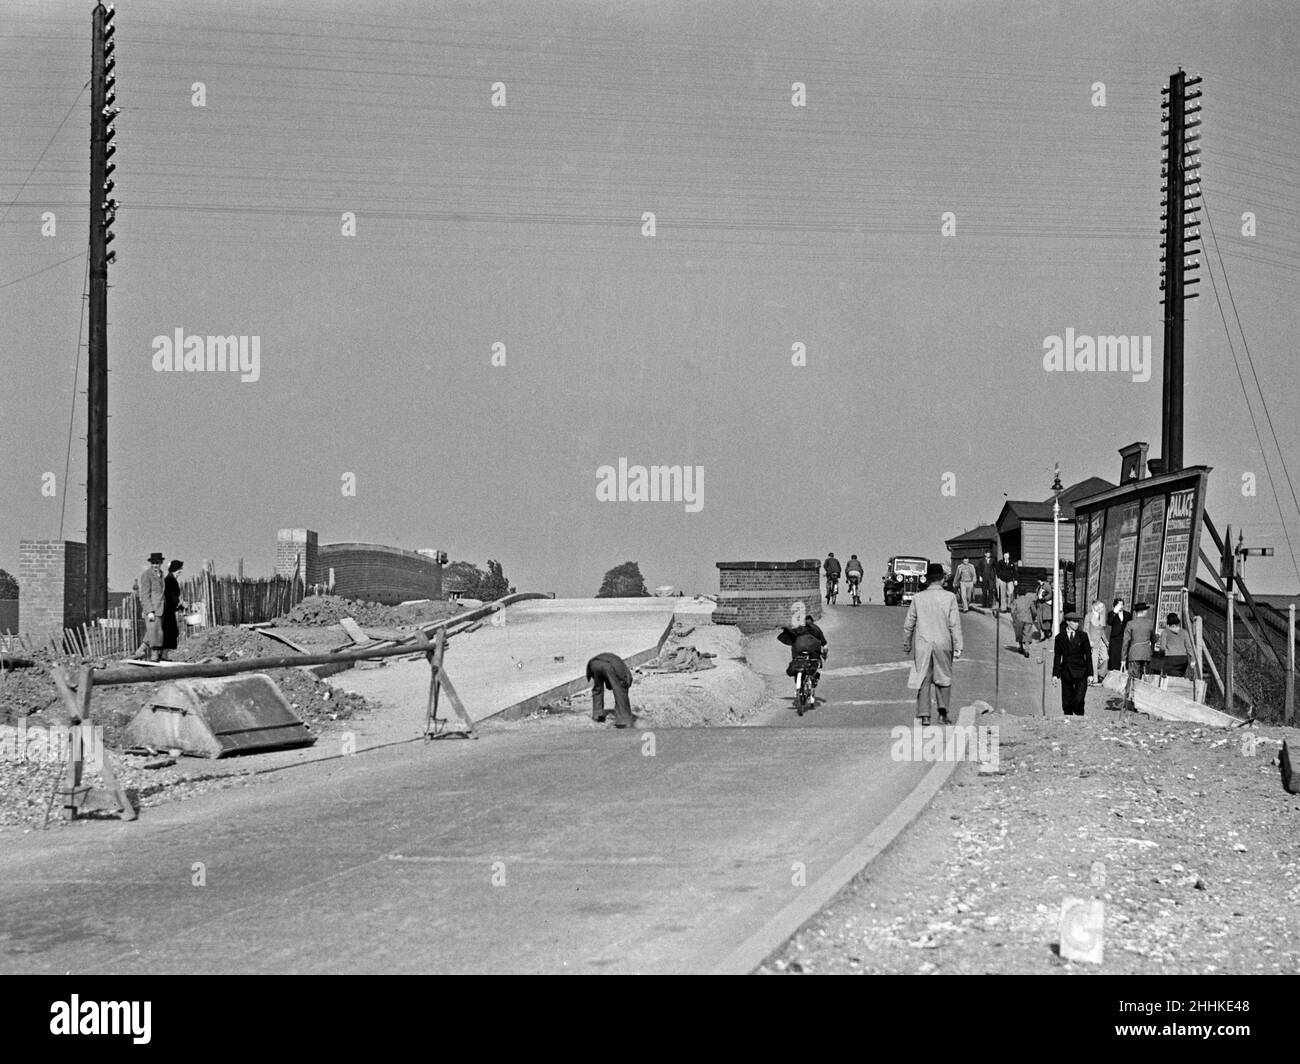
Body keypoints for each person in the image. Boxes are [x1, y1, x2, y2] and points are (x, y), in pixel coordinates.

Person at [903, 562, 963, 725]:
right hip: (943, 643)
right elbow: (954, 624)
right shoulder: (949, 597)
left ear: (927, 579)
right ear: (942, 579)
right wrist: (958, 645)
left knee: (923, 678)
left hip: (923, 644)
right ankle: (943, 713)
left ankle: (925, 715)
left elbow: (909, 623)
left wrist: (907, 643)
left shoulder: (918, 598)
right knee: (943, 677)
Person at [1052, 611, 1094, 715]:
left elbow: (1088, 656)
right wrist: (1055, 675)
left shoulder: (1083, 636)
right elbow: (1057, 657)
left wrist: (1090, 674)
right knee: (1067, 702)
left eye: (1078, 622)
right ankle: (1068, 721)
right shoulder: (1060, 638)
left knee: (1079, 700)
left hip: (1081, 672)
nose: (1077, 624)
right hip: (1067, 673)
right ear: (1067, 622)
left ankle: (1079, 717)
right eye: (1074, 622)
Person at [781, 614, 828, 699]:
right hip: (813, 650)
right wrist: (824, 656)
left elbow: (791, 633)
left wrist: (786, 628)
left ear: (804, 623)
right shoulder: (817, 630)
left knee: (797, 663)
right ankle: (813, 678)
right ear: (813, 622)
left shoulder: (800, 628)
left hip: (798, 649)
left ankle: (799, 684)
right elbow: (825, 646)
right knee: (815, 663)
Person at [586, 652, 637, 728]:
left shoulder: (620, 664)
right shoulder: (625, 674)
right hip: (607, 666)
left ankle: (597, 714)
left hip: (594, 664)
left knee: (598, 688)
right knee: (619, 691)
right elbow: (621, 689)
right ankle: (624, 719)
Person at [1120, 602, 1155, 711]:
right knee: (1145, 678)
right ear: (1144, 611)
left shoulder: (1130, 624)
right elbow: (1153, 639)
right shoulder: (1150, 623)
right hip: (1146, 654)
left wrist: (1123, 659)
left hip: (1134, 653)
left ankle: (1131, 701)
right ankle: (1142, 703)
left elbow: (1125, 642)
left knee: (1133, 678)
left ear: (1135, 612)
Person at [138, 551, 167, 662]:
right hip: (152, 609)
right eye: (153, 563)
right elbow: (144, 594)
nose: (155, 565)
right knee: (155, 631)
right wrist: (149, 610)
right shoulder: (146, 575)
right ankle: (154, 655)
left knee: (154, 630)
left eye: (157, 563)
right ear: (151, 564)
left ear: (161, 563)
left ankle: (140, 650)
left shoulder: (162, 574)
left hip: (161, 608)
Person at [1155, 613, 1194, 679]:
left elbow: (1162, 648)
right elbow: (1189, 647)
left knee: (1169, 678)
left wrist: (1161, 655)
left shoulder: (1165, 633)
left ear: (1168, 622)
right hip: (1183, 659)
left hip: (1170, 659)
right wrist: (1192, 659)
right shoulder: (1184, 632)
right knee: (1179, 677)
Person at [1082, 600, 1110, 685]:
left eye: (1103, 607)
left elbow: (1102, 631)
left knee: (1105, 658)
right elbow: (1086, 630)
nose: (1102, 609)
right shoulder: (1089, 616)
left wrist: (1106, 641)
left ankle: (1101, 674)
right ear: (1095, 607)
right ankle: (1094, 679)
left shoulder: (1101, 617)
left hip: (1100, 640)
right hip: (1092, 641)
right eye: (1101, 607)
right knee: (1093, 660)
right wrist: (1089, 641)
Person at [162, 559, 185, 659]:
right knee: (169, 632)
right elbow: (170, 595)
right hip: (167, 610)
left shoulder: (171, 579)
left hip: (169, 609)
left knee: (170, 632)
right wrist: (179, 603)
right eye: (179, 569)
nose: (180, 572)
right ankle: (163, 655)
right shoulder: (169, 580)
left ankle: (164, 655)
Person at [1010, 586, 1036, 657]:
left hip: (1019, 619)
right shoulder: (1029, 600)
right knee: (1027, 634)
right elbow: (1034, 611)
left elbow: (1012, 611)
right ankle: (1027, 650)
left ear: (1018, 593)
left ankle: (1021, 648)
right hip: (1028, 619)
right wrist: (1033, 617)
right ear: (1025, 593)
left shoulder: (1016, 601)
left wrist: (1014, 618)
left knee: (1019, 634)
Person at [1106, 598, 1130, 672]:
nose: (1121, 606)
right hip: (1115, 639)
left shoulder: (1128, 614)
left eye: (1122, 604)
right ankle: (1113, 674)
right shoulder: (1111, 613)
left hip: (1124, 638)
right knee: (1114, 658)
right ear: (1115, 605)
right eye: (1119, 604)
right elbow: (1109, 622)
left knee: (1122, 658)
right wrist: (1114, 613)